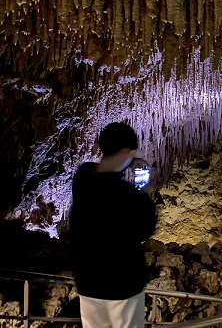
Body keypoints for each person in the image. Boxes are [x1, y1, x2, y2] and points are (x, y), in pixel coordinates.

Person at [69, 122, 157, 328]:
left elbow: (102, 178)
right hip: (123, 284)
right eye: (131, 153)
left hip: (88, 282)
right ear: (126, 151)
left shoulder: (82, 178)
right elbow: (145, 230)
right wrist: (144, 191)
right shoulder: (129, 196)